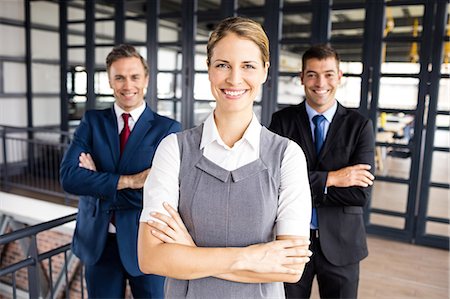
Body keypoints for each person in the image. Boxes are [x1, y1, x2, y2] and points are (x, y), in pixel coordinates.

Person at [137, 16, 312, 298]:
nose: (234, 78)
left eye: (248, 66)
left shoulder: (287, 156)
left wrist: (190, 254)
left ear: (265, 71)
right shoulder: (174, 149)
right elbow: (150, 258)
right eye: (222, 65)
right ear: (208, 69)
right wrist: (250, 258)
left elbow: (290, 269)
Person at [60, 44, 181, 298]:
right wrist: (131, 181)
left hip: (147, 243)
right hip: (98, 245)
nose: (128, 86)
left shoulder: (167, 129)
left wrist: (96, 181)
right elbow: (69, 178)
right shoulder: (92, 121)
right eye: (120, 77)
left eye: (135, 76)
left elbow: (163, 194)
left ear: (146, 79)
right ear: (110, 80)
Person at [269, 44, 375, 299]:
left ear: (339, 77)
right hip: (290, 241)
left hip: (342, 243)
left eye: (328, 74)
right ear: (302, 77)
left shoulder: (359, 126)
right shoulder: (282, 121)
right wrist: (333, 178)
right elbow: (273, 182)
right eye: (312, 74)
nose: (320, 82)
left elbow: (360, 194)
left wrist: (301, 185)